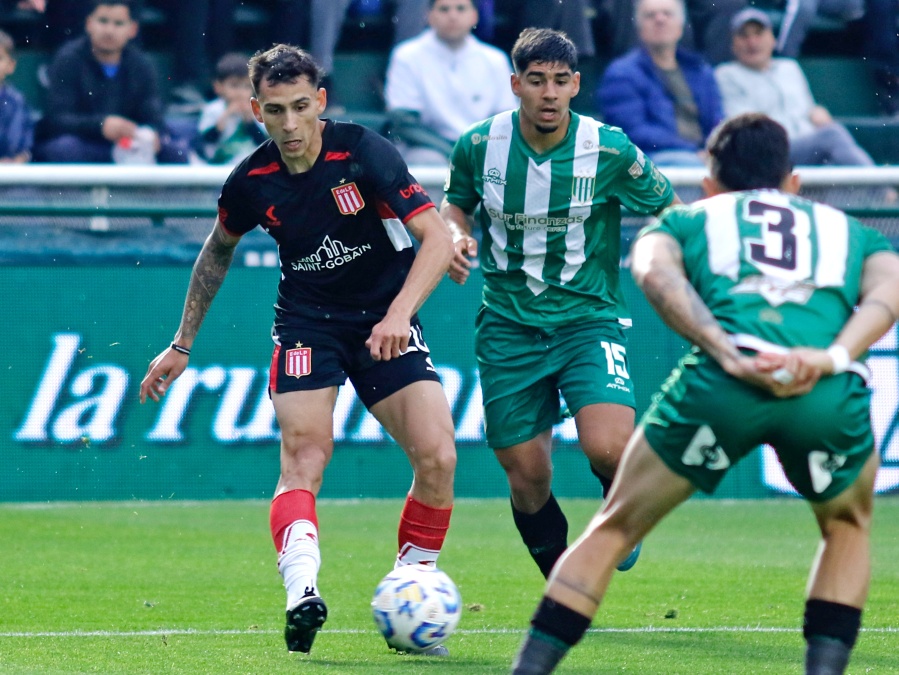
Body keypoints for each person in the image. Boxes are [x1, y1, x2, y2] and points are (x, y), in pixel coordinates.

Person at [510, 112, 899, 674]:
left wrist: (723, 347)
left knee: (615, 526)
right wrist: (831, 357)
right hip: (823, 392)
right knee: (846, 526)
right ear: (794, 182)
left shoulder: (691, 218)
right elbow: (890, 286)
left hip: (721, 385)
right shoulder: (848, 230)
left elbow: (653, 273)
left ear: (709, 182)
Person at [138, 44, 457, 655]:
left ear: (321, 102)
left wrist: (398, 314)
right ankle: (301, 592)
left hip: (383, 320)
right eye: (276, 110)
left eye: (301, 107)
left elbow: (437, 238)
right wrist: (182, 343)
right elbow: (217, 251)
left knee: (439, 458)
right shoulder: (250, 180)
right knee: (304, 457)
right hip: (307, 325)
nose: (289, 124)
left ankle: (412, 589)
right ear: (256, 110)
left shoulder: (363, 151)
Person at [441, 28, 678, 581]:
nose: (548, 93)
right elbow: (455, 206)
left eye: (559, 81)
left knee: (609, 448)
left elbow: (671, 210)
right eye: (536, 80)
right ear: (515, 84)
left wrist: (671, 258)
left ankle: (620, 518)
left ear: (575, 84)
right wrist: (455, 237)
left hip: (588, 320)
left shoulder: (610, 149)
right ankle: (563, 585)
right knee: (526, 476)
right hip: (507, 325)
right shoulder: (478, 145)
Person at [715, 8, 879, 169]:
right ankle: (880, 183)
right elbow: (744, 126)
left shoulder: (790, 68)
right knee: (832, 135)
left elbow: (810, 110)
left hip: (805, 148)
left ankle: (876, 183)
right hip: (768, 151)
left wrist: (818, 113)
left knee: (833, 154)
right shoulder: (726, 75)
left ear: (772, 39)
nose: (752, 42)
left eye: (758, 34)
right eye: (744, 36)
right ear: (733, 44)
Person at [33, 0, 188, 163]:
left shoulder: (141, 64)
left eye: (118, 23)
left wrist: (152, 133)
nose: (109, 31)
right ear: (89, 24)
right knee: (63, 149)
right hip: (86, 144)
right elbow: (56, 119)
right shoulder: (68, 59)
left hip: (128, 145)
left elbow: (153, 115)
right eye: (103, 21)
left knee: (175, 152)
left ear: (133, 29)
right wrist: (101, 125)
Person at [384, 0, 516, 165]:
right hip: (428, 148)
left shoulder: (495, 59)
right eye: (444, 9)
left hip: (480, 146)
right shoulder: (406, 55)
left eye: (461, 9)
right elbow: (404, 122)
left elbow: (505, 119)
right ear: (429, 15)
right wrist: (452, 152)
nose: (453, 16)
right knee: (429, 161)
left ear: (474, 16)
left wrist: (475, 148)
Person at [597, 0, 723, 166]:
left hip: (701, 156)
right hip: (649, 160)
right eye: (650, 15)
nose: (660, 19)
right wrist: (694, 151)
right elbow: (633, 131)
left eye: (667, 14)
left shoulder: (700, 71)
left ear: (681, 26)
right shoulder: (621, 74)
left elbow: (717, 121)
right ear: (639, 28)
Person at [195, 52, 267, 165]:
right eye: (234, 86)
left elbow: (262, 142)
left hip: (250, 164)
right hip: (217, 164)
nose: (240, 93)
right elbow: (206, 141)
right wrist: (225, 116)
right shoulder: (213, 109)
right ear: (218, 87)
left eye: (247, 87)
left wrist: (249, 120)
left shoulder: (257, 109)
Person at [0, 28, 34, 163]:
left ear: (11, 65)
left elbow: (21, 149)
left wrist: (14, 163)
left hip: (10, 170)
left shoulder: (16, 101)